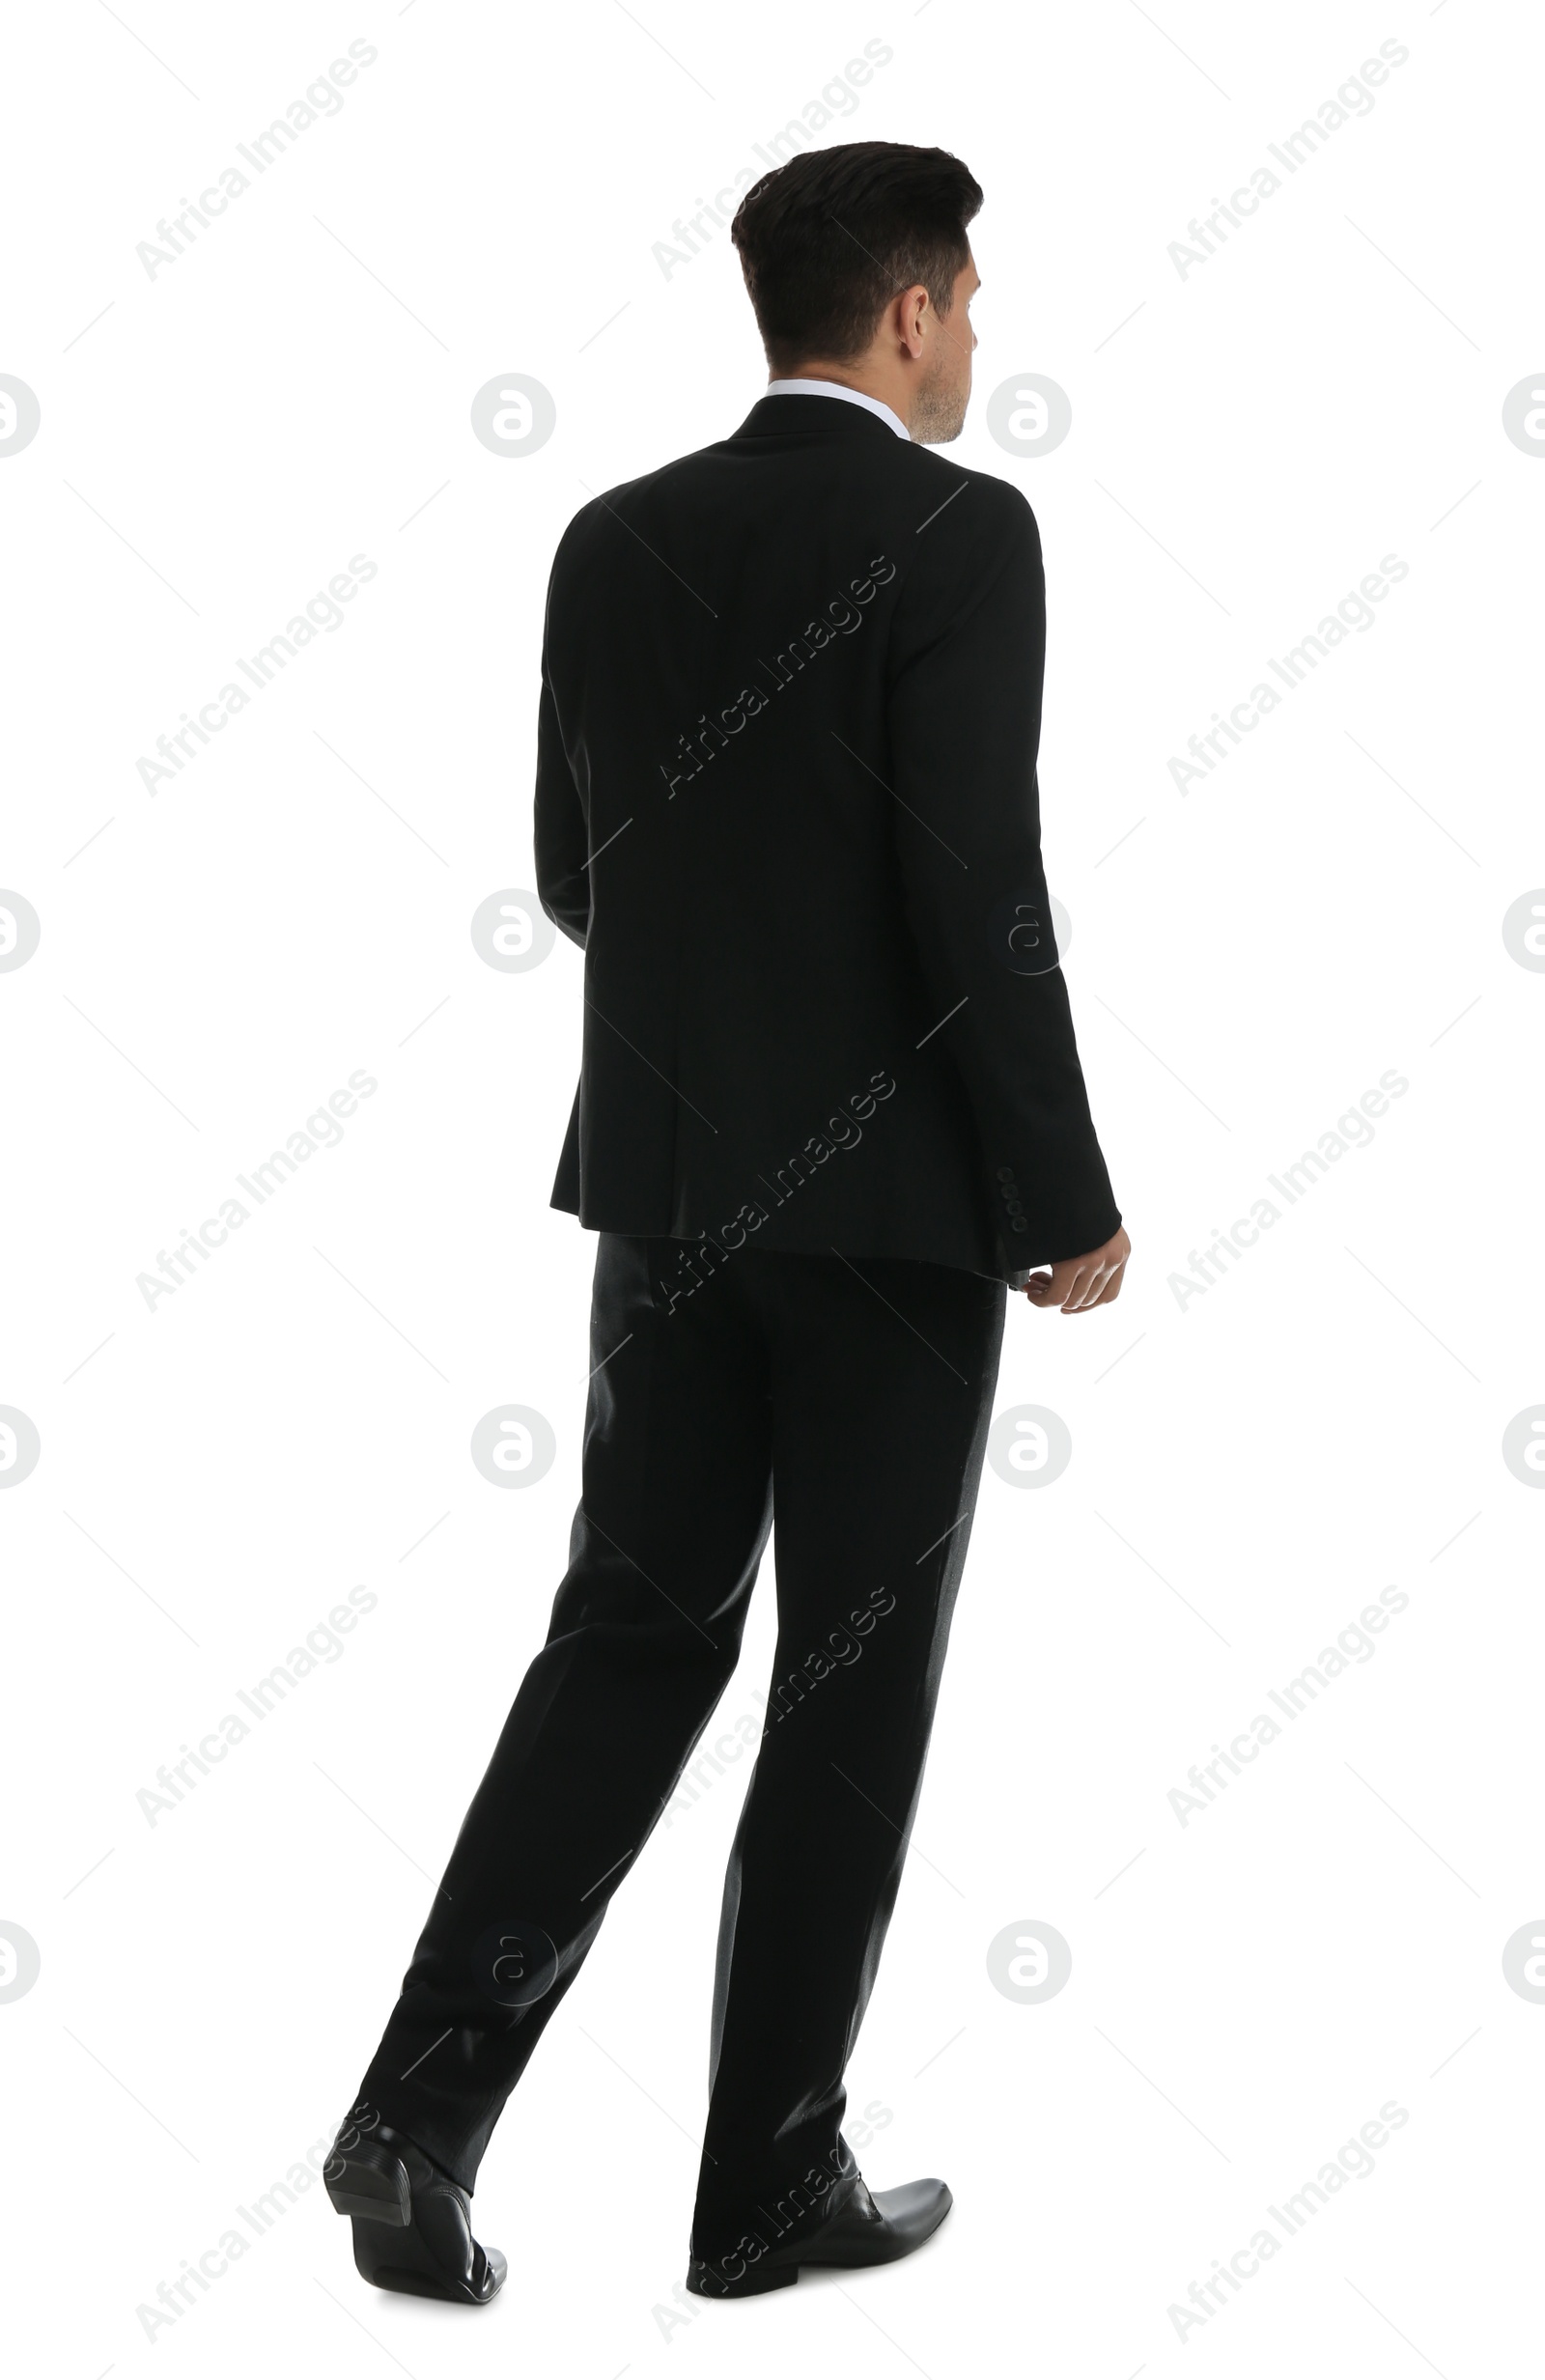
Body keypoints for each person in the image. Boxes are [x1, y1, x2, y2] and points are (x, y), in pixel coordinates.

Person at [326, 137, 1129, 2307]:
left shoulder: (612, 538)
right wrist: (1058, 1193)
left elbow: (578, 875)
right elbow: (970, 886)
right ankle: (765, 2177)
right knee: (841, 1691)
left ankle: (412, 2115)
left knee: (627, 1642)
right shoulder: (962, 532)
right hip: (889, 1222)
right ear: (906, 313)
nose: (969, 340)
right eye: (963, 300)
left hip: (670, 1196)